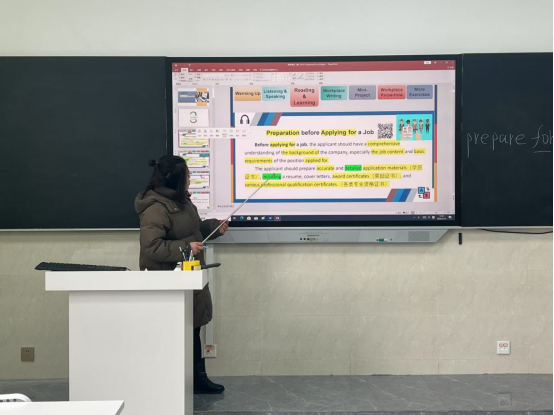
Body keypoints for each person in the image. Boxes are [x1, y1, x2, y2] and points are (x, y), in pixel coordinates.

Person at [135, 155, 229, 395]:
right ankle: (171, 383)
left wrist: (213, 227)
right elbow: (151, 247)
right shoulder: (156, 207)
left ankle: (197, 379)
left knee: (193, 328)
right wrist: (186, 248)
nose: (190, 178)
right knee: (172, 333)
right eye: (187, 174)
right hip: (167, 282)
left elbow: (193, 229)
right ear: (175, 178)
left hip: (187, 278)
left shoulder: (182, 201)